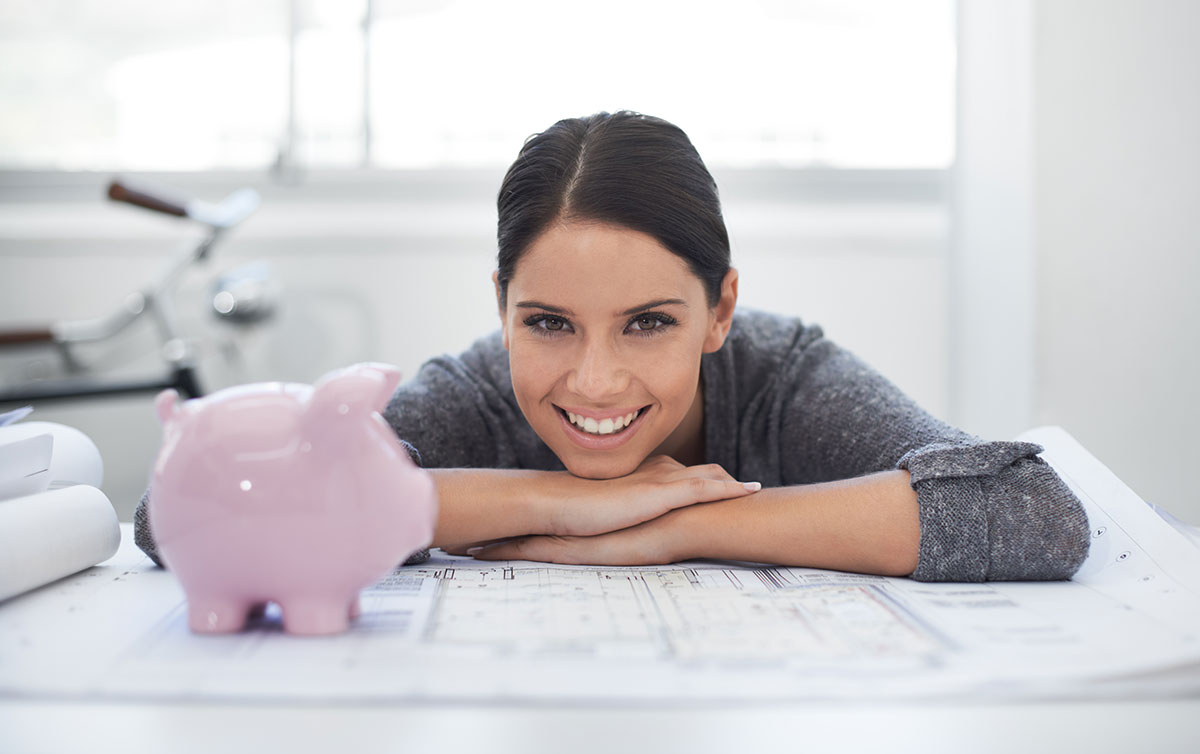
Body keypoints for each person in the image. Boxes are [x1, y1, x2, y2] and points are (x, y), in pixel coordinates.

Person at [135, 111, 1089, 582]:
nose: (594, 379)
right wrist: (557, 501)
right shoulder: (472, 394)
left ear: (719, 313)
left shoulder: (781, 376)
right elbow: (176, 514)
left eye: (650, 322)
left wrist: (668, 527)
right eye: (547, 323)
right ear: (503, 306)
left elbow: (1033, 511)